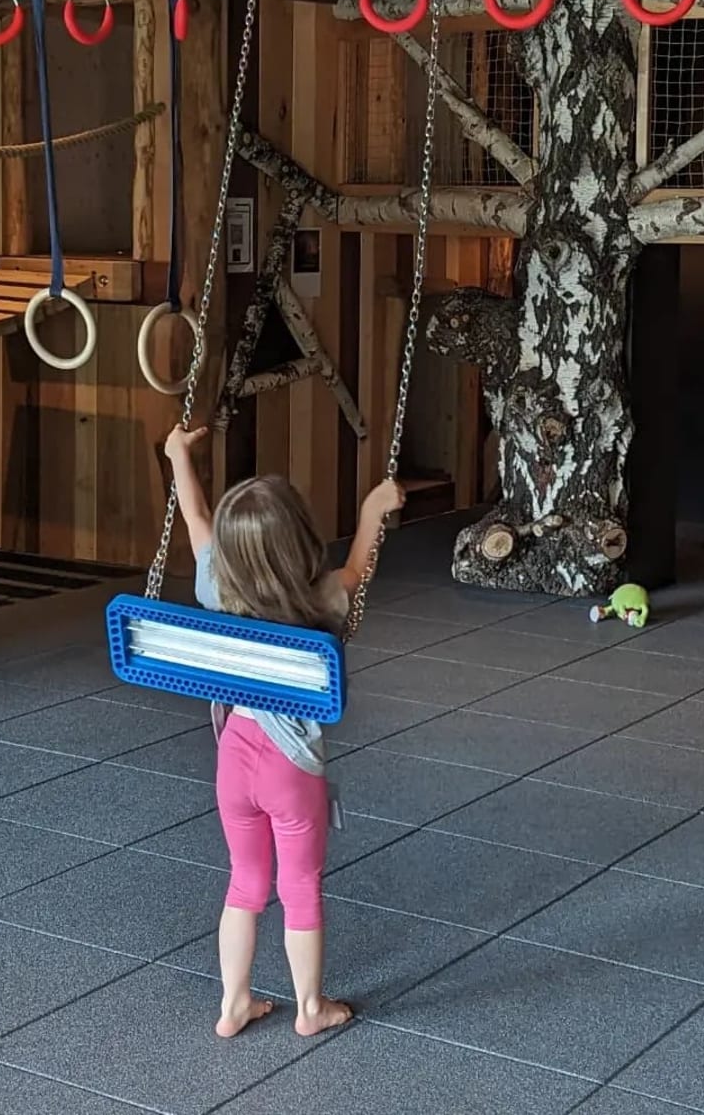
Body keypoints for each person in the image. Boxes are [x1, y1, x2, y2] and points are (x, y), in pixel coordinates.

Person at [163, 425, 405, 1040]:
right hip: (290, 767)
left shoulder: (215, 584)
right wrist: (373, 509)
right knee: (298, 886)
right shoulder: (320, 599)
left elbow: (194, 516)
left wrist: (178, 455)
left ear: (229, 549)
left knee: (244, 881)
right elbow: (356, 568)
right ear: (301, 542)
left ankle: (233, 1004)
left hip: (234, 757)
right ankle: (309, 1007)